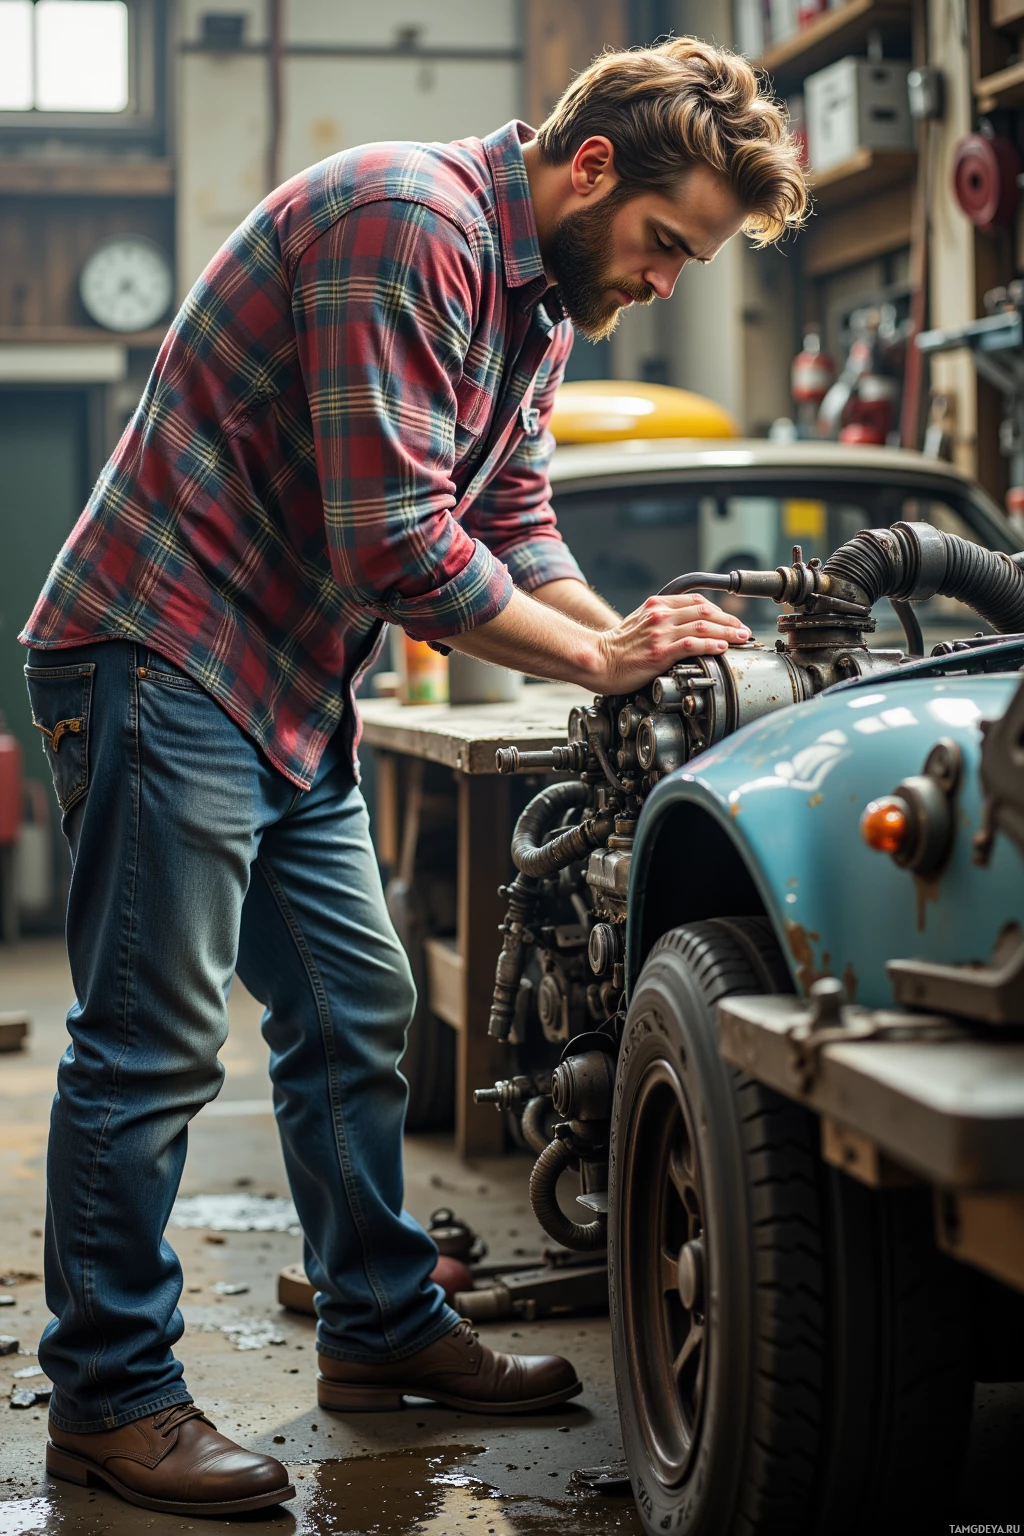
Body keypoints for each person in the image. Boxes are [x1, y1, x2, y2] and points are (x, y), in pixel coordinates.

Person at [21, 36, 807, 1518]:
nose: (665, 280)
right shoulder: (414, 226)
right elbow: (396, 544)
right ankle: (110, 1399)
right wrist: (596, 665)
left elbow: (510, 509)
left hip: (285, 682)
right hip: (162, 646)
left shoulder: (538, 299)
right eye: (664, 243)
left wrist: (630, 634)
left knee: (355, 1005)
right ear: (591, 171)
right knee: (153, 1047)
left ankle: (379, 1326)